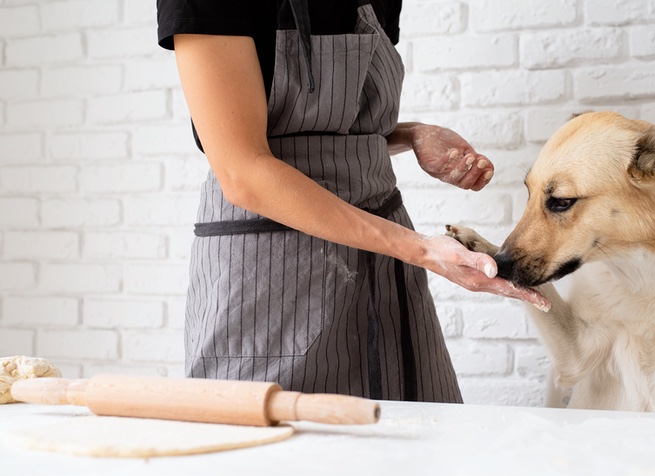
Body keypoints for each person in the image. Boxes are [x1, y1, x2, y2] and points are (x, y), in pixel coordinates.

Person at [156, 0, 544, 403]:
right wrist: (422, 250)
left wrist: (410, 134)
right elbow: (242, 170)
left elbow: (329, 126)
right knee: (269, 454)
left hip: (386, 263)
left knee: (417, 447)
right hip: (272, 270)